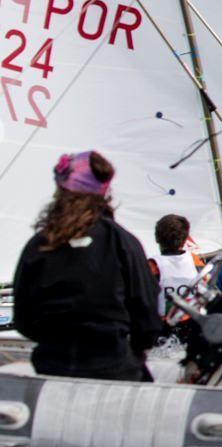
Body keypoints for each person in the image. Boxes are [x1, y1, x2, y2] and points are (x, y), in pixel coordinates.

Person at [10, 152, 163, 381]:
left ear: (61, 192)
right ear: (103, 194)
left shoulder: (39, 245)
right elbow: (148, 321)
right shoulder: (122, 242)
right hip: (115, 370)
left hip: (53, 369)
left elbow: (23, 319)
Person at [147, 213, 204, 325]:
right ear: (185, 239)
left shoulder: (153, 265)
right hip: (193, 324)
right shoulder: (195, 261)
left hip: (163, 328)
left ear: (157, 238)